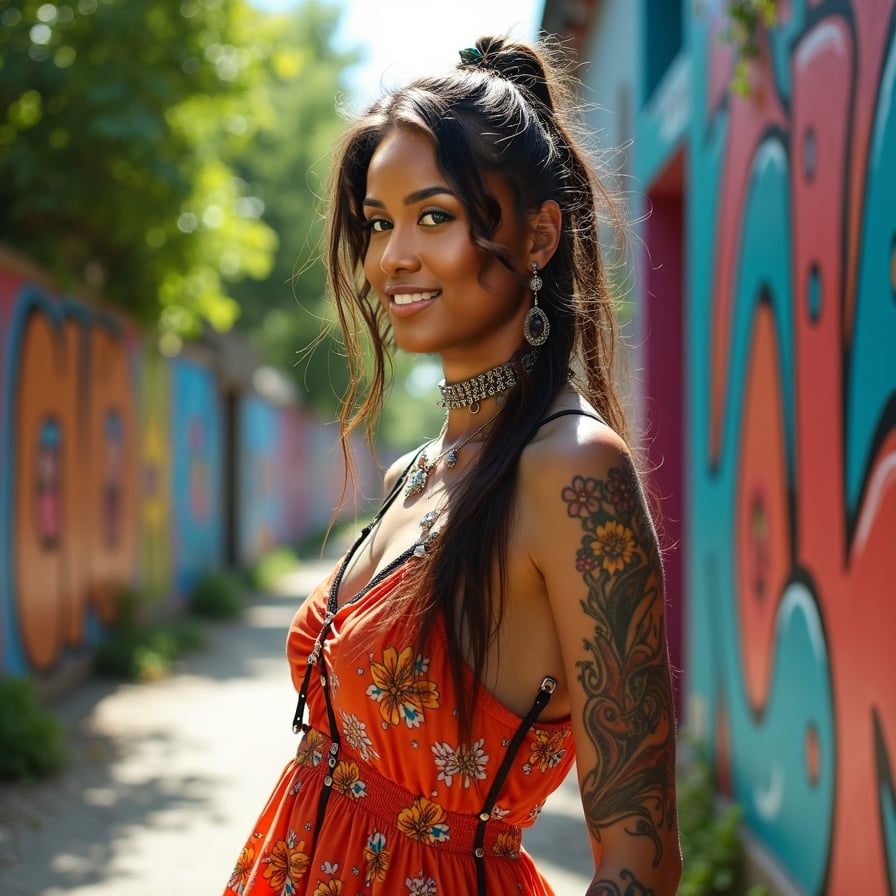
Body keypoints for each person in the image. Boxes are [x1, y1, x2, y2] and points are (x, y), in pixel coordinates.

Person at [225, 34, 681, 896]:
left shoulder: (574, 475)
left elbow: (641, 863)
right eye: (378, 222)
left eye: (434, 216)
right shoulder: (418, 468)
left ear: (539, 235)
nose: (393, 257)